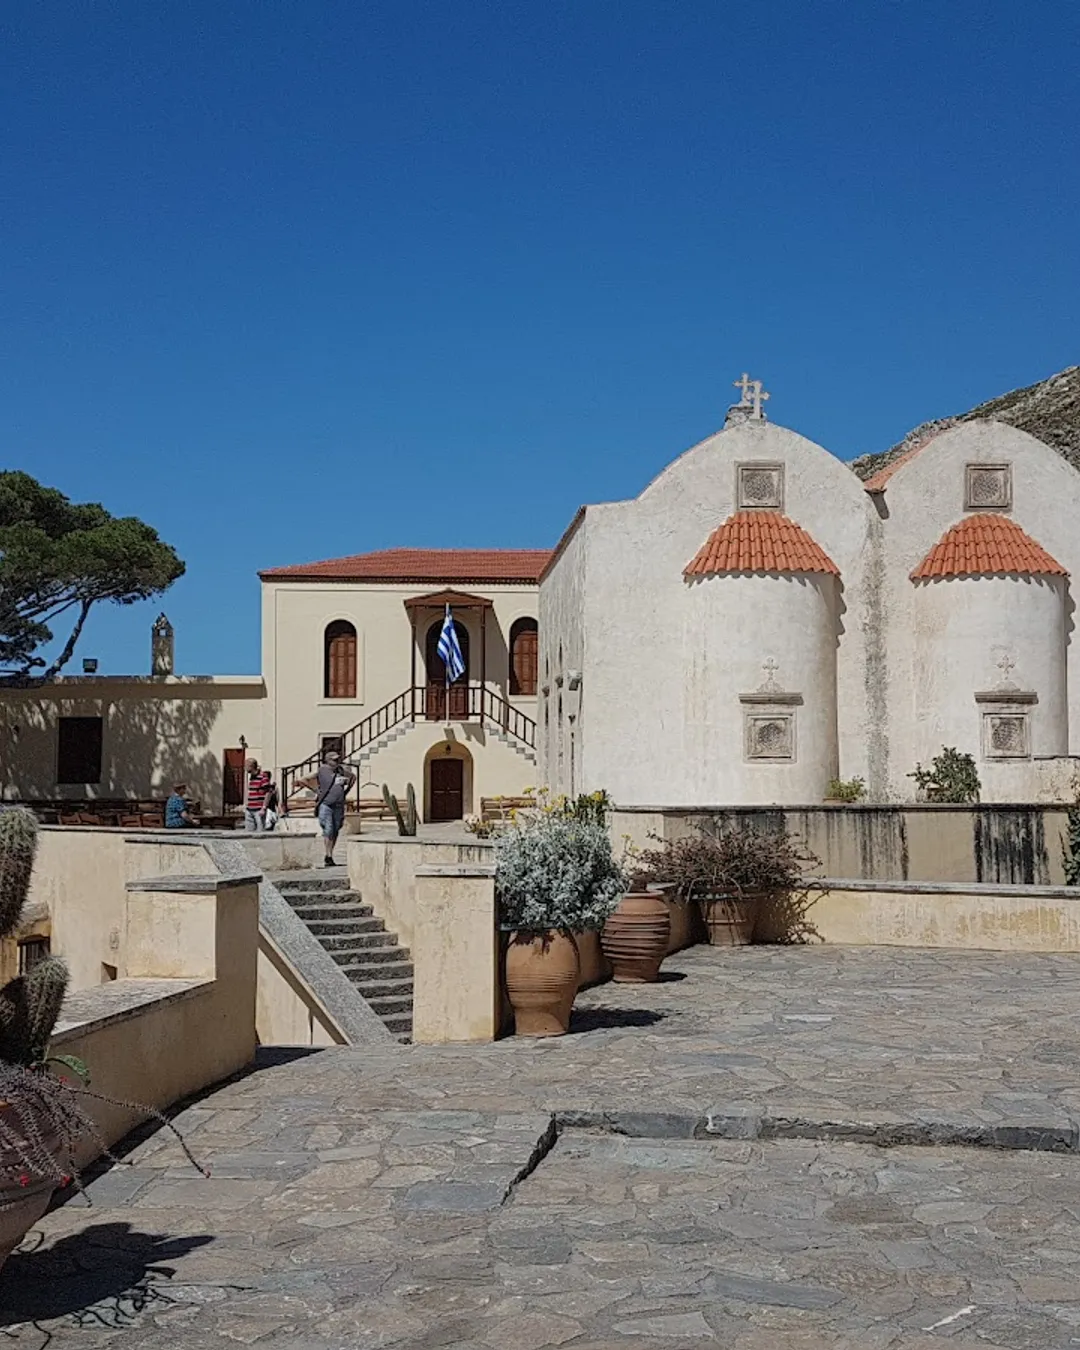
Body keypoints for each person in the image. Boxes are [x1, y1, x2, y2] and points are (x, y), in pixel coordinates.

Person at [299, 750, 355, 867]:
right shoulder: (321, 770)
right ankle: (328, 855)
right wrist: (315, 790)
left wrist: (347, 789)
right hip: (326, 804)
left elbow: (353, 777)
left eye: (338, 759)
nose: (337, 761)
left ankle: (330, 854)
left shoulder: (341, 770)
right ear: (328, 760)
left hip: (339, 804)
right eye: (334, 760)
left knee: (336, 829)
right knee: (328, 829)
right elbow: (304, 779)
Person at [244, 758, 275, 833]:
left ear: (251, 766)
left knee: (260, 833)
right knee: (248, 833)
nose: (245, 768)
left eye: (246, 766)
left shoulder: (263, 777)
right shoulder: (252, 778)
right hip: (249, 809)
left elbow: (268, 793)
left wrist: (264, 808)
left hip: (259, 810)